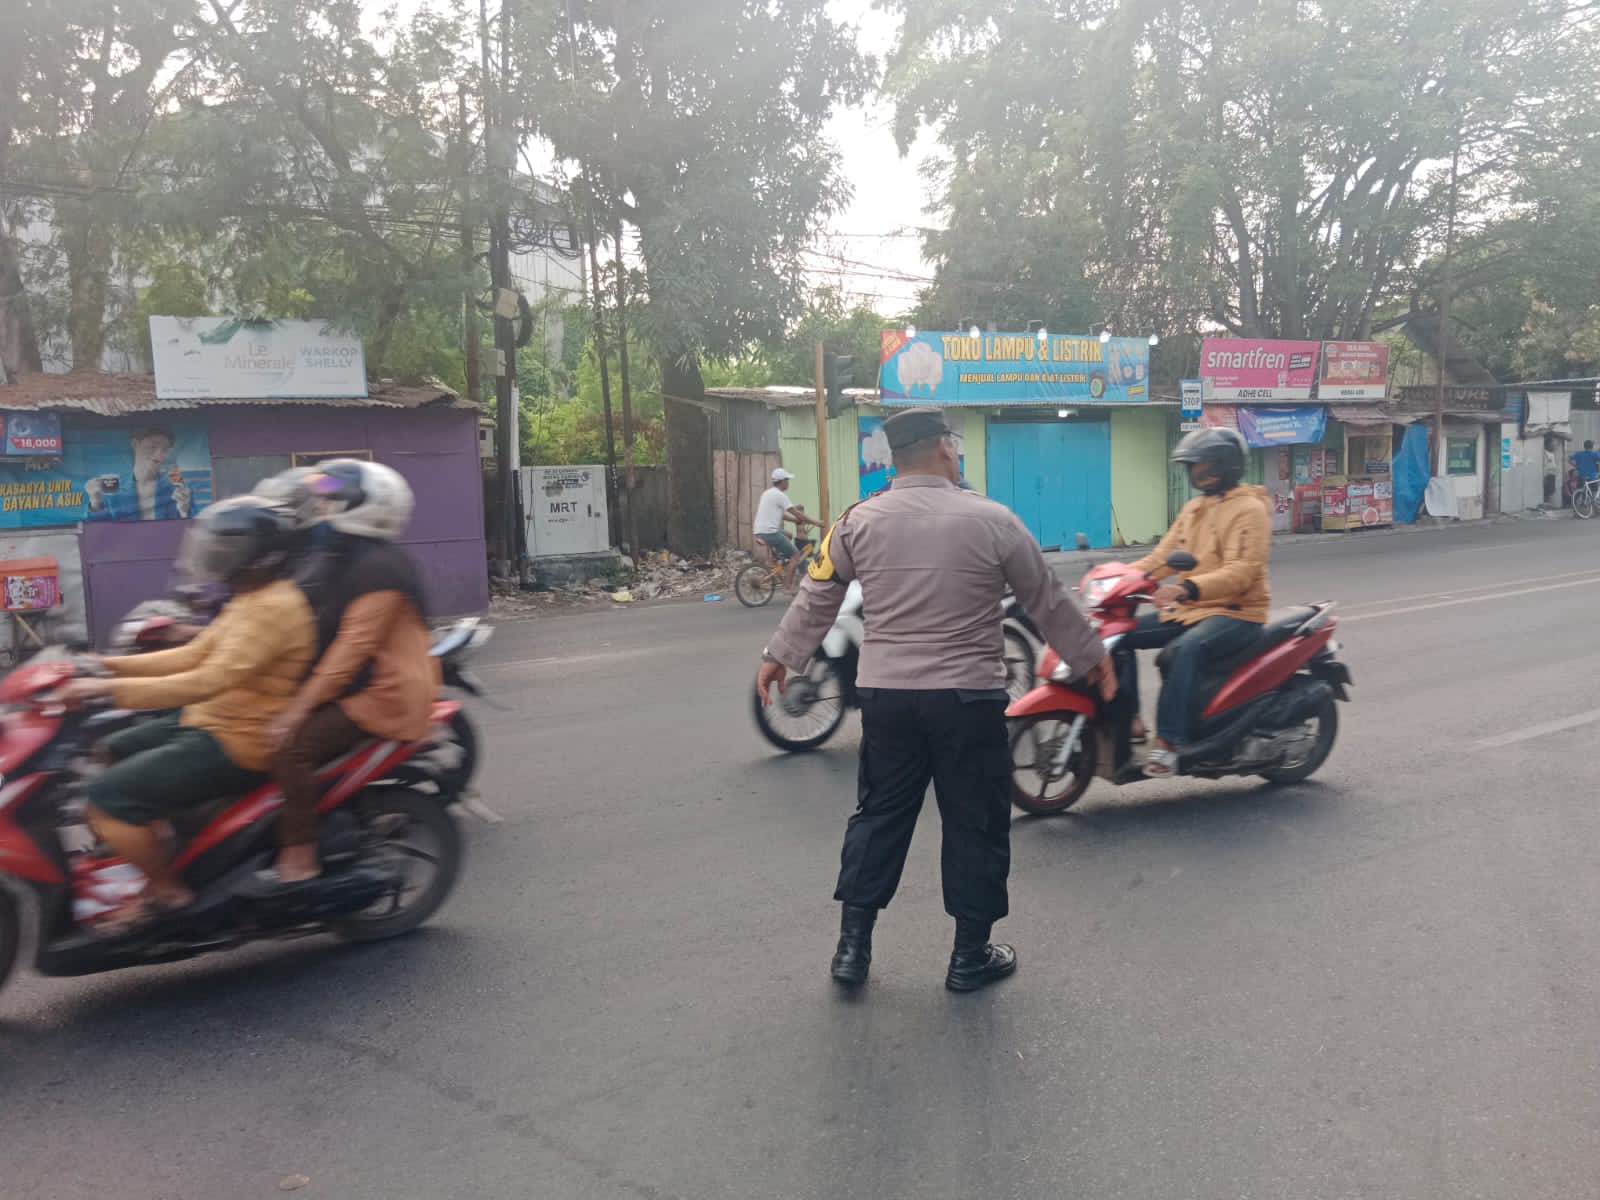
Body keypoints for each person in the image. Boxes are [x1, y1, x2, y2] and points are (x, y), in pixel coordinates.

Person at [755, 407, 1114, 994]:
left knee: (880, 815)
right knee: (974, 821)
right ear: (945, 449)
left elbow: (818, 592)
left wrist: (780, 654)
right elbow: (1045, 598)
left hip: (887, 699)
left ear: (896, 459)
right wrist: (1092, 655)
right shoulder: (994, 520)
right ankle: (969, 958)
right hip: (967, 699)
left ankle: (852, 949)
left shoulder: (855, 521)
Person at [53, 496, 317, 930]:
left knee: (104, 802)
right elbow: (192, 655)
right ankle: (160, 840)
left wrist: (106, 688)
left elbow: (205, 680)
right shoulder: (249, 598)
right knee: (110, 749)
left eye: (224, 547)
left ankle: (166, 892)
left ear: (256, 555)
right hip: (209, 719)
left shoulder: (273, 608)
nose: (213, 555)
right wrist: (102, 664)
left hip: (238, 741)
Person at [254, 459, 439, 887]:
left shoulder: (379, 571)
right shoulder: (345, 555)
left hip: (385, 695)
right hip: (363, 683)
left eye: (331, 499)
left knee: (292, 747)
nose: (321, 507)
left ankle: (300, 854)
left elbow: (349, 652)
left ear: (363, 507)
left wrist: (296, 710)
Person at [1121, 428, 1272, 778]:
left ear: (1223, 465)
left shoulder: (1250, 509)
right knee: (1118, 633)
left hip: (1237, 612)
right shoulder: (1194, 508)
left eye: (1201, 464)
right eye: (1193, 465)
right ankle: (1129, 720)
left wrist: (1188, 589)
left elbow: (1242, 571)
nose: (1195, 471)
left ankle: (1169, 744)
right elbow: (1162, 558)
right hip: (1191, 610)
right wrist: (1119, 578)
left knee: (1185, 650)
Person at [85, 426, 192, 521]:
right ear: (135, 444)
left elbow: (190, 526)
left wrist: (184, 511)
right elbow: (99, 530)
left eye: (164, 449)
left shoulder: (175, 488)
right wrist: (95, 500)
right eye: (153, 446)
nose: (159, 454)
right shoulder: (113, 489)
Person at [753, 467, 825, 593]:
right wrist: (816, 522)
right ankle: (788, 587)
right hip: (770, 532)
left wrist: (794, 521)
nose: (788, 483)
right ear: (782, 481)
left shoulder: (768, 493)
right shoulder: (780, 495)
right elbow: (797, 513)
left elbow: (782, 515)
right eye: (787, 480)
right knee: (796, 555)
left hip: (760, 531)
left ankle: (780, 561)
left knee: (789, 535)